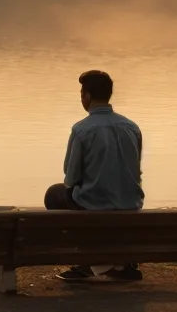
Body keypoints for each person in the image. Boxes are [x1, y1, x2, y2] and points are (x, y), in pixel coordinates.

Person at [45, 69, 145, 282]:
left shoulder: (82, 129)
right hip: (131, 202)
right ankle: (117, 263)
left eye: (82, 92)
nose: (81, 97)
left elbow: (71, 177)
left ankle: (88, 261)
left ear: (87, 96)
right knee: (102, 198)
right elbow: (136, 169)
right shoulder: (132, 127)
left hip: (96, 204)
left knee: (54, 195)